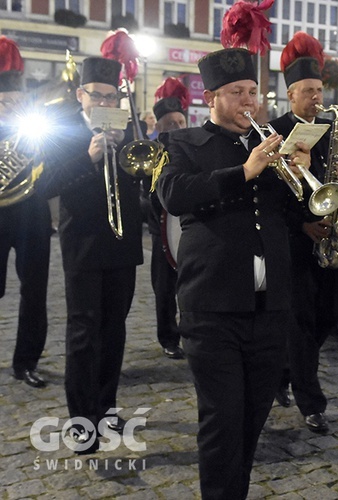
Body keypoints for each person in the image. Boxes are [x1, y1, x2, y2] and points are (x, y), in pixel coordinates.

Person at [155, 47, 310, 499]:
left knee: (253, 416)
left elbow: (294, 213)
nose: (249, 101)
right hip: (213, 304)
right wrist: (244, 171)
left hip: (269, 300)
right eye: (237, 92)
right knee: (223, 420)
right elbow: (174, 195)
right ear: (212, 98)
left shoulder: (273, 144)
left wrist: (305, 172)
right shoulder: (182, 143)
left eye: (253, 91)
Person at [34, 32, 145, 454]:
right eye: (95, 95)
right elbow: (45, 186)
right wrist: (90, 157)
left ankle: (106, 403)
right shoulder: (61, 130)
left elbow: (145, 176)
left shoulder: (129, 126)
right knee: (83, 331)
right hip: (81, 243)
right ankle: (81, 419)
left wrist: (131, 158)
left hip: (122, 241)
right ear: (80, 94)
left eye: (110, 96)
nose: (103, 103)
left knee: (114, 328)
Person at [269, 31, 338, 431]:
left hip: (329, 237)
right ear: (291, 95)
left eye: (319, 90)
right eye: (307, 91)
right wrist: (300, 223)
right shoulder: (273, 132)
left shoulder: (331, 127)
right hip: (293, 240)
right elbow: (267, 195)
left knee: (332, 314)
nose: (316, 98)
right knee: (301, 323)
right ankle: (311, 403)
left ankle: (283, 371)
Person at [0, 36, 52, 389]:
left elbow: (51, 166)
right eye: (6, 102)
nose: (13, 106)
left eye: (17, 100)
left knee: (35, 291)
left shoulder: (31, 122)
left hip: (31, 210)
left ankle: (26, 362)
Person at [145, 77, 189, 359]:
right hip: (160, 229)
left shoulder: (193, 146)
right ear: (159, 127)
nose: (177, 128)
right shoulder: (151, 152)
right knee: (164, 289)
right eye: (171, 124)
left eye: (181, 123)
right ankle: (168, 337)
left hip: (186, 229)